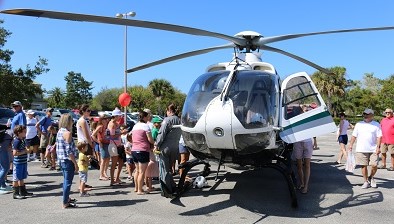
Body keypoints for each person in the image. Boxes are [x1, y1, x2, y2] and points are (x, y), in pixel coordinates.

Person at [348, 108, 382, 189]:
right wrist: (350, 145)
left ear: (372, 115)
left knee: (374, 165)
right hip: (361, 148)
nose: (365, 116)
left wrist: (378, 147)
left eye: (367, 114)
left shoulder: (376, 124)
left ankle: (371, 177)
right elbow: (354, 135)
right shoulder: (359, 124)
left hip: (373, 148)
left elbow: (379, 137)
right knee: (363, 166)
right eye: (364, 114)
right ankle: (365, 181)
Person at [156, 104, 182, 196]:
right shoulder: (179, 120)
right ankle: (172, 186)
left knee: (164, 169)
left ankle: (165, 189)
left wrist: (157, 145)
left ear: (169, 111)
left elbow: (161, 134)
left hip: (165, 147)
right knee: (170, 169)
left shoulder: (167, 120)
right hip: (175, 147)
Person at [56, 113, 79, 208]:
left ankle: (66, 198)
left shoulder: (60, 131)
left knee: (66, 180)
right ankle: (65, 202)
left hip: (61, 160)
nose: (72, 122)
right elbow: (69, 151)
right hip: (67, 160)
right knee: (68, 182)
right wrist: (75, 163)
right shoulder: (67, 133)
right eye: (71, 121)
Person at [131, 110, 155, 195]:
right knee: (141, 172)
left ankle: (136, 188)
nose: (148, 118)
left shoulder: (135, 126)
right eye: (147, 116)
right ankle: (140, 190)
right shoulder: (145, 126)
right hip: (142, 150)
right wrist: (153, 142)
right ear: (144, 117)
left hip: (134, 149)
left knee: (137, 171)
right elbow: (150, 139)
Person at [12, 125, 33, 199]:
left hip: (23, 162)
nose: (25, 133)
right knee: (16, 178)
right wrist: (24, 151)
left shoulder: (23, 140)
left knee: (21, 177)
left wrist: (28, 149)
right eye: (24, 132)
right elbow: (14, 153)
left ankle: (23, 191)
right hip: (18, 163)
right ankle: (15, 193)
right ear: (19, 133)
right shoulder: (17, 141)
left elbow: (26, 148)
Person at [91, 114, 111, 181]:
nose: (106, 120)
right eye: (104, 119)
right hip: (102, 144)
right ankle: (101, 174)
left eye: (107, 119)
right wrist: (98, 142)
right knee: (103, 160)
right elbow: (93, 135)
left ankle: (105, 172)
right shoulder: (100, 126)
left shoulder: (106, 126)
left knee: (107, 158)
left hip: (107, 143)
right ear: (101, 120)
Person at [107, 108, 122, 186]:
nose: (120, 117)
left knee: (119, 162)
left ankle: (116, 178)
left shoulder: (115, 123)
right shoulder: (112, 124)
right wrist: (121, 133)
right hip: (113, 145)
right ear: (115, 116)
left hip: (116, 145)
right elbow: (112, 136)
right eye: (119, 116)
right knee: (114, 163)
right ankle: (112, 180)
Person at [0, 129, 13, 193]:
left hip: (2, 149)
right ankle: (1, 185)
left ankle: (3, 185)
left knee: (2, 168)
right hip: (3, 150)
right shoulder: (11, 133)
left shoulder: (7, 132)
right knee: (5, 168)